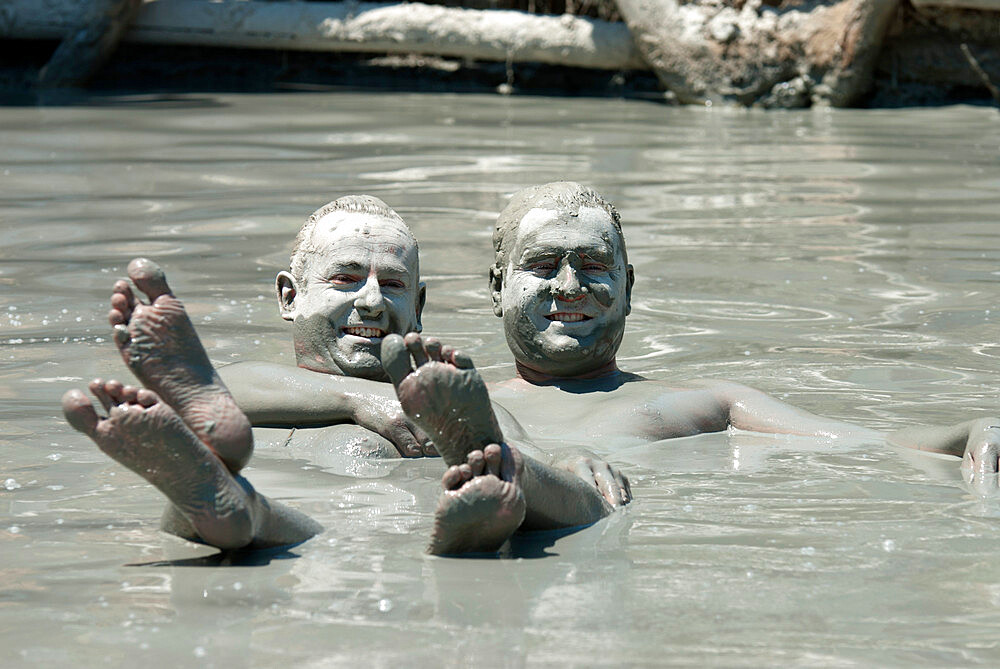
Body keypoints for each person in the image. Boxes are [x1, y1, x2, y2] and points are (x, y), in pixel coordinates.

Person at [62, 195, 627, 555]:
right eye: (347, 279)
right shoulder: (240, 391)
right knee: (217, 473)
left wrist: (551, 464)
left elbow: (583, 503)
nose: (374, 301)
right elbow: (222, 386)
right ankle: (226, 500)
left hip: (328, 537)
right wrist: (366, 402)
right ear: (290, 296)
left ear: (420, 305)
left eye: (395, 284)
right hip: (266, 514)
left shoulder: (448, 404)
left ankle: (491, 490)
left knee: (515, 478)